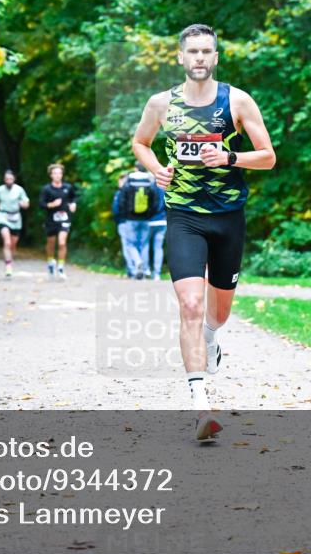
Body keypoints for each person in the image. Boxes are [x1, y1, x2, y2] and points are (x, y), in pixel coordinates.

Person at [131, 23, 276, 441]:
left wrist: (228, 157)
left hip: (228, 216)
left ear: (215, 57)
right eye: (192, 51)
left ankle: (212, 338)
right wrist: (156, 168)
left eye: (205, 52)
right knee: (190, 305)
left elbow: (267, 157)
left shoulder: (238, 100)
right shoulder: (161, 104)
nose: (198, 58)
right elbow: (141, 142)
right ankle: (201, 406)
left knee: (218, 313)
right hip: (184, 216)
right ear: (180, 57)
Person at [115, 165, 158, 279]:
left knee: (130, 244)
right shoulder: (149, 184)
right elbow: (155, 202)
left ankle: (137, 261)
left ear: (136, 169)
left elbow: (121, 201)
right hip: (145, 219)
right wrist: (149, 215)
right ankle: (143, 271)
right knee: (144, 244)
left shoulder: (128, 183)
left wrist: (125, 215)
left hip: (130, 219)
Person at [40, 163, 77, 280]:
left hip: (65, 218)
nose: (57, 175)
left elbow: (74, 197)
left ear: (62, 175)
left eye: (59, 173)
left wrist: (73, 204)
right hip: (51, 219)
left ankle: (60, 267)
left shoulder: (67, 187)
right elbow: (41, 204)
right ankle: (51, 262)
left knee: (62, 243)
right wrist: (51, 205)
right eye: (55, 173)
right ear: (51, 175)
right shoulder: (46, 189)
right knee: (51, 243)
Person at [0, 170, 30, 278]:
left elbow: (26, 203)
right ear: (4, 179)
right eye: (7, 179)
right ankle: (8, 266)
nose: (9, 181)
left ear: (14, 179)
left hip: (15, 218)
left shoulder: (19, 190)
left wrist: (23, 204)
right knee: (7, 242)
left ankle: (10, 259)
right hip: (3, 216)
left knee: (13, 244)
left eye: (11, 179)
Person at [144, 181, 167, 280]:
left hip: (149, 222)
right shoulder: (164, 189)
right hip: (162, 221)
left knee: (145, 245)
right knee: (158, 248)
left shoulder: (148, 188)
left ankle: (146, 269)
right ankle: (157, 273)